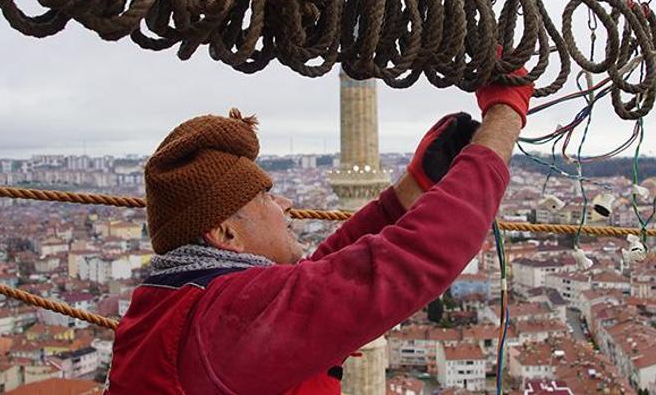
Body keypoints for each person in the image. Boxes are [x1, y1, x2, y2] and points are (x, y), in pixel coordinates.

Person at [105, 78, 533, 394]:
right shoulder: (223, 322)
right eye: (265, 196)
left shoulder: (180, 303)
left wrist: (410, 191)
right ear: (225, 232)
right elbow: (412, 258)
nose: (286, 205)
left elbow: (319, 280)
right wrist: (505, 114)